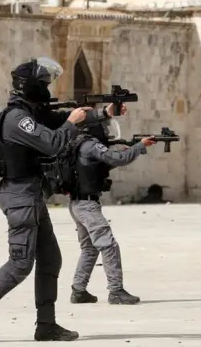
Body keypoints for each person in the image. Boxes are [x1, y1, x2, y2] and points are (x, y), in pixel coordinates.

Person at [0, 57, 122, 343]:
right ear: (31, 85)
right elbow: (54, 141)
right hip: (20, 197)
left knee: (50, 259)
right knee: (20, 263)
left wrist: (104, 113)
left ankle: (46, 325)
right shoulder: (16, 119)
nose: (47, 88)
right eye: (44, 83)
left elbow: (57, 121)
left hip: (31, 195)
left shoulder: (30, 113)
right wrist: (72, 122)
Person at [68, 119, 156, 305]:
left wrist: (126, 150)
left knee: (90, 248)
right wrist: (139, 146)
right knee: (109, 246)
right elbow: (119, 160)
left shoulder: (78, 144)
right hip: (87, 206)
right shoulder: (91, 145)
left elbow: (100, 166)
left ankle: (79, 290)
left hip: (78, 203)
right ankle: (116, 291)